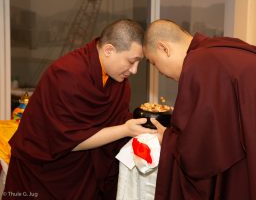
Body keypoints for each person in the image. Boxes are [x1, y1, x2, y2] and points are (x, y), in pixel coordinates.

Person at [143, 19, 256, 200]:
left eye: (155, 64)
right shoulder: (226, 48)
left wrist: (167, 139)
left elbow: (199, 152)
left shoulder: (199, 63)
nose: (161, 73)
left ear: (164, 48)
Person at [3, 19, 157, 199]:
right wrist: (125, 130)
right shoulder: (66, 74)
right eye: (132, 61)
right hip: (44, 171)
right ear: (109, 50)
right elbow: (67, 139)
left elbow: (114, 120)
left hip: (85, 171)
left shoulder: (117, 81)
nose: (134, 70)